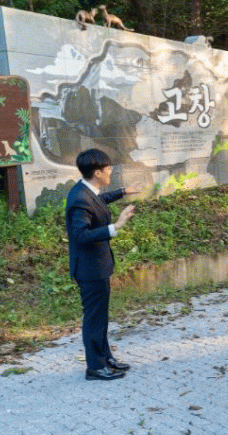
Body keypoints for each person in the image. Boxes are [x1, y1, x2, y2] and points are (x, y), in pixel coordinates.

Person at [65, 149, 142, 381]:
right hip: (90, 270)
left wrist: (123, 192)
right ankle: (95, 368)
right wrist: (116, 226)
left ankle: (105, 358)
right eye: (108, 169)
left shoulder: (86, 190)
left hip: (97, 267)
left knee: (101, 317)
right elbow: (80, 235)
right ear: (97, 172)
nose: (111, 172)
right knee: (94, 320)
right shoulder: (80, 199)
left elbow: (99, 201)